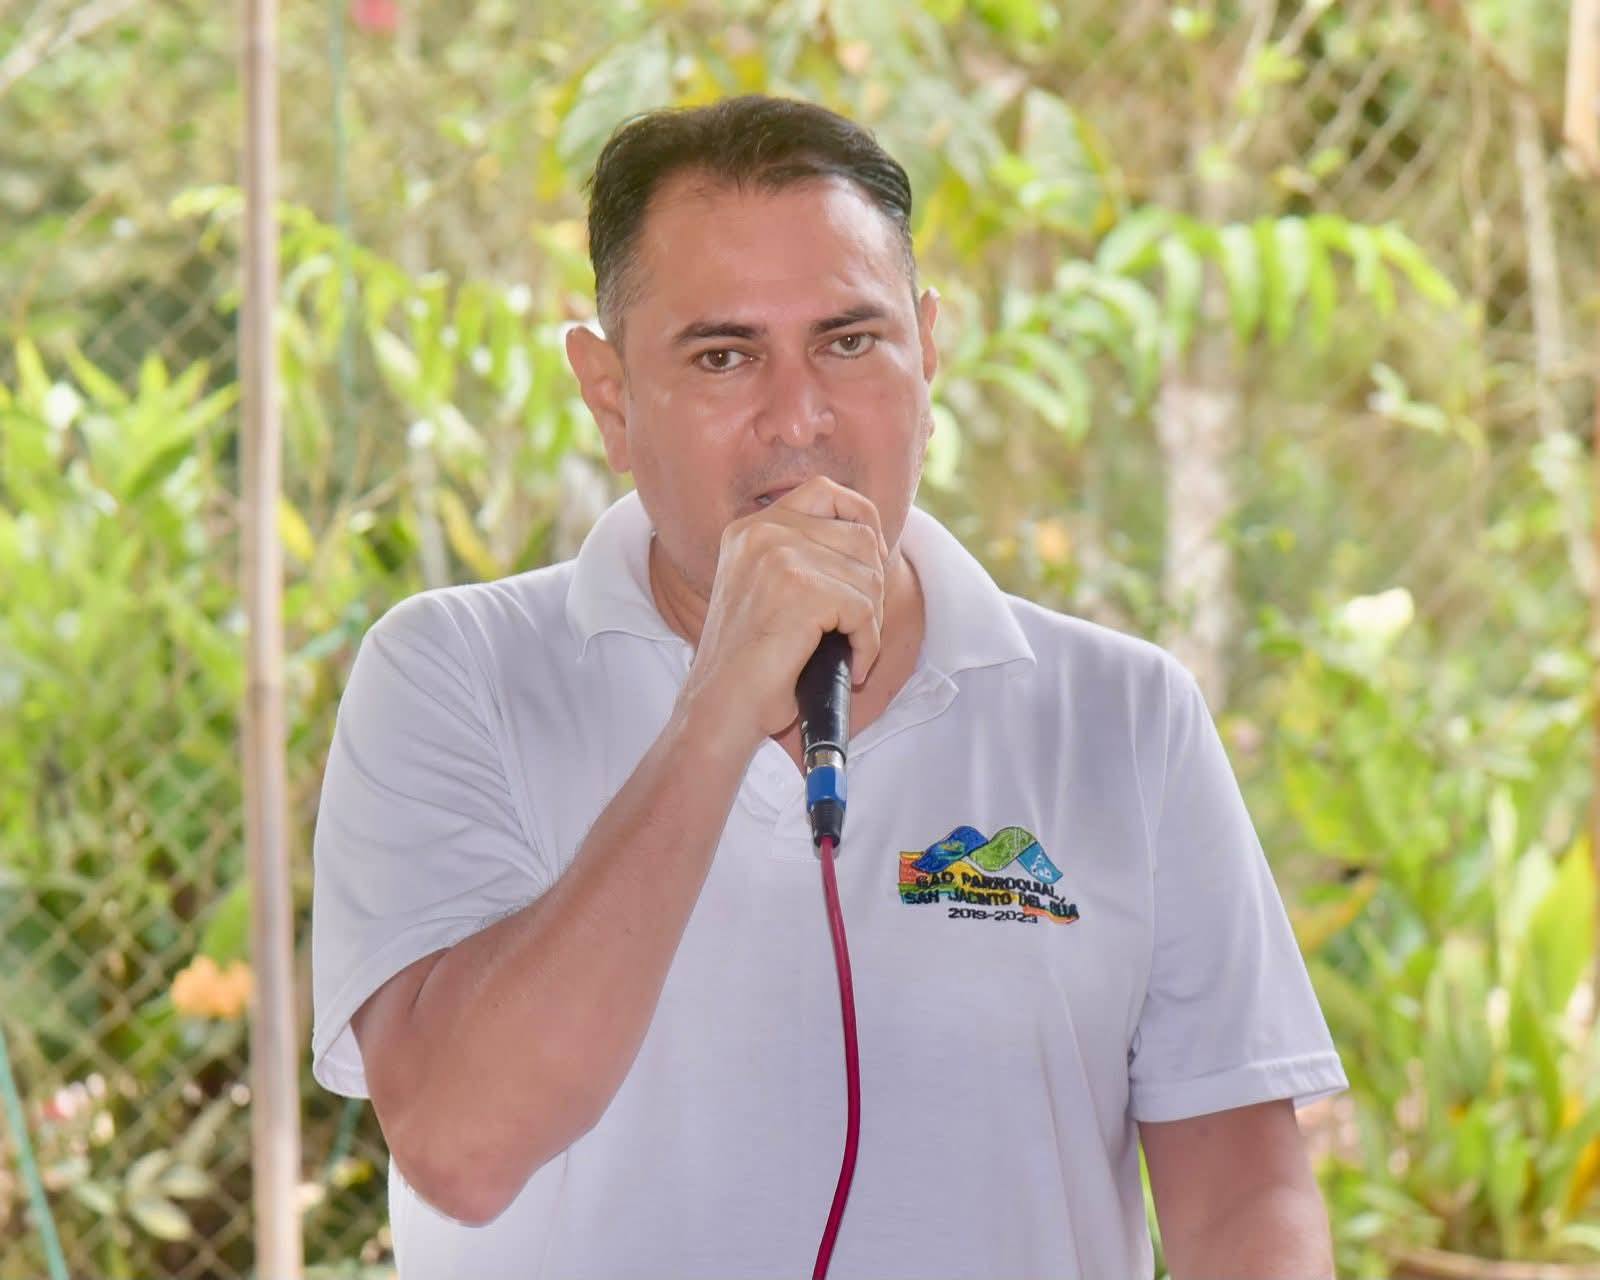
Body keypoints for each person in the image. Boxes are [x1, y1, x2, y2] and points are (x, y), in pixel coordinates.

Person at [311, 94, 1347, 1279]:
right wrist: (717, 706)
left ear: (929, 352)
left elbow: (1242, 1195)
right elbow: (461, 1143)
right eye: (723, 356)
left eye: (850, 343)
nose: (797, 419)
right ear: (610, 397)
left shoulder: (1122, 715)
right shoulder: (451, 672)